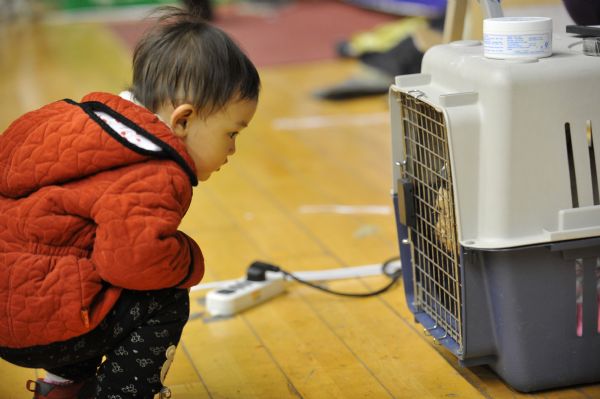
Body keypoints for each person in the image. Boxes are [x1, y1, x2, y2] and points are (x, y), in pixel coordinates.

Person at [0, 4, 260, 399]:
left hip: (13, 309)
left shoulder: (77, 123)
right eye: (231, 133)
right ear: (183, 120)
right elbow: (134, 263)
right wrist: (189, 257)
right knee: (165, 292)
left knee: (78, 270)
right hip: (42, 324)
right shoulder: (154, 170)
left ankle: (61, 388)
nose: (233, 149)